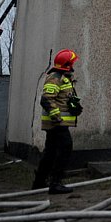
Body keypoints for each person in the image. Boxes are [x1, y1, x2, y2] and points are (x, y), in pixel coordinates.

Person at [32, 49, 83, 194]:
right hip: (57, 124)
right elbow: (46, 99)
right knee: (65, 148)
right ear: (67, 64)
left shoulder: (64, 77)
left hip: (57, 124)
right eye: (72, 62)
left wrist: (74, 106)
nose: (74, 65)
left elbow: (62, 98)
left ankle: (39, 182)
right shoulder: (55, 77)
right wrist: (57, 117)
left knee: (51, 152)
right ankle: (55, 183)